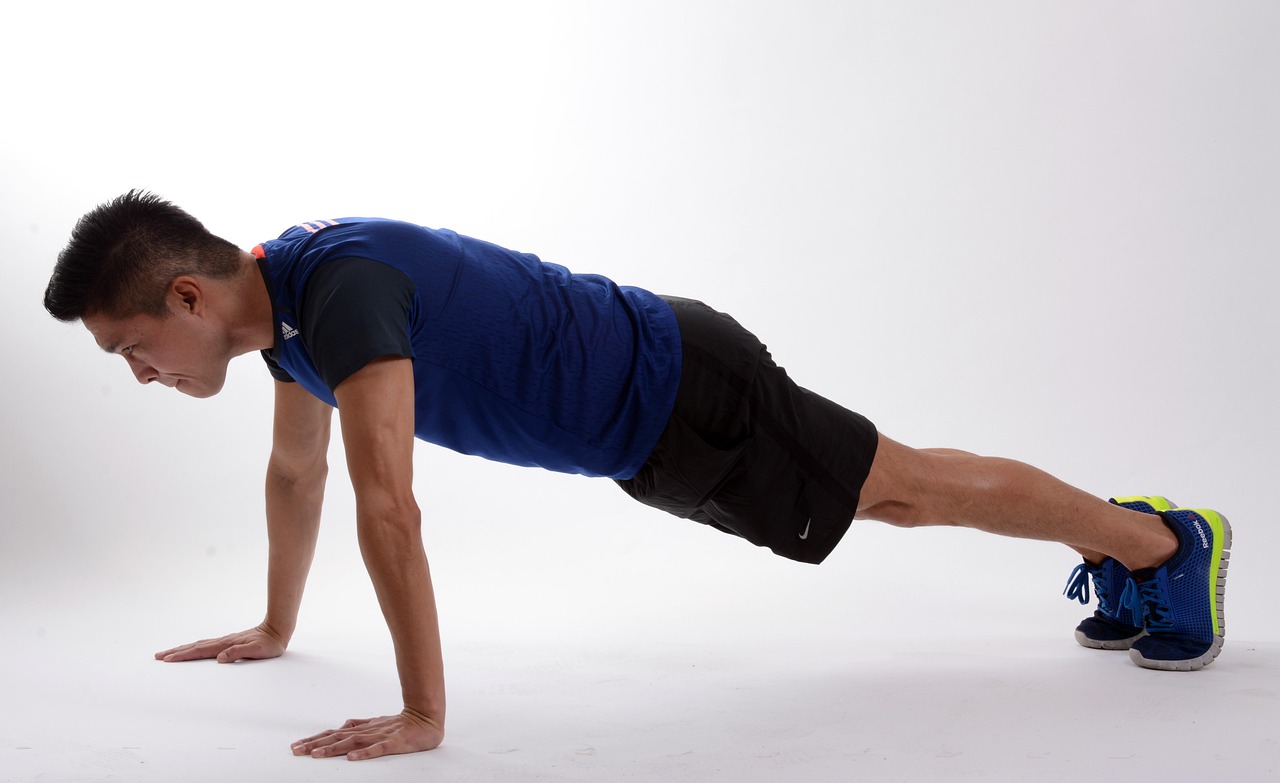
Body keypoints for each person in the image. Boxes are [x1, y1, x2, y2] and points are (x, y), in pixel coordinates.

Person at [43, 190, 1231, 762]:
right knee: (893, 490)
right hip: (647, 427)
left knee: (903, 490)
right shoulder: (284, 320)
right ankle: (1122, 536)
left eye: (132, 348)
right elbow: (296, 476)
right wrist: (274, 625)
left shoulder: (339, 295)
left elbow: (388, 506)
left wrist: (424, 715)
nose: (141, 375)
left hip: (680, 392)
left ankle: (1162, 544)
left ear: (186, 297)